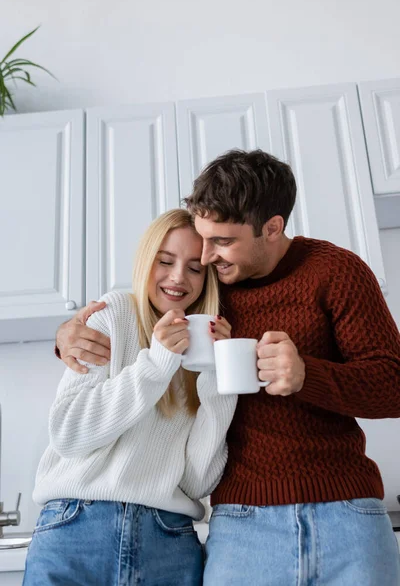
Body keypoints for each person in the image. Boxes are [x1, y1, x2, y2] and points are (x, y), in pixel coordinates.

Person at [56, 150, 400, 585]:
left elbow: (393, 384)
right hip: (240, 521)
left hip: (347, 511)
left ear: (272, 227)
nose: (206, 255)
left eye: (222, 240)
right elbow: (142, 313)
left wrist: (307, 375)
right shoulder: (204, 287)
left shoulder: (337, 271)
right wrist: (68, 335)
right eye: (202, 238)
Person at [23, 209, 237, 586]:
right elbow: (69, 433)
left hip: (168, 539)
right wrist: (156, 363)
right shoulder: (113, 314)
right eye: (165, 261)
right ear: (145, 262)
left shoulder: (201, 342)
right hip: (77, 529)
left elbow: (196, 481)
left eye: (194, 268)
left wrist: (217, 377)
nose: (177, 278)